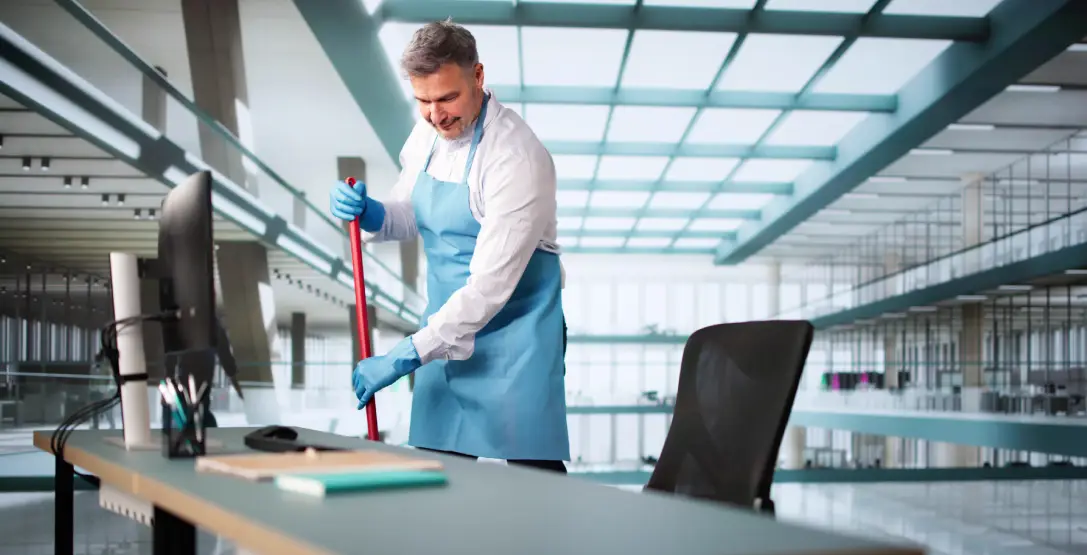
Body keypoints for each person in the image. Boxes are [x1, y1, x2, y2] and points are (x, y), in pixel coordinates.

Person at [328, 19, 569, 473]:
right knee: (438, 475)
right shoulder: (428, 135)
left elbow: (487, 290)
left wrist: (402, 356)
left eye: (446, 98)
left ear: (478, 76)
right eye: (422, 100)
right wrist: (371, 212)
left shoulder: (516, 159)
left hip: (515, 341)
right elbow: (410, 211)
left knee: (536, 486)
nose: (435, 114)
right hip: (444, 330)